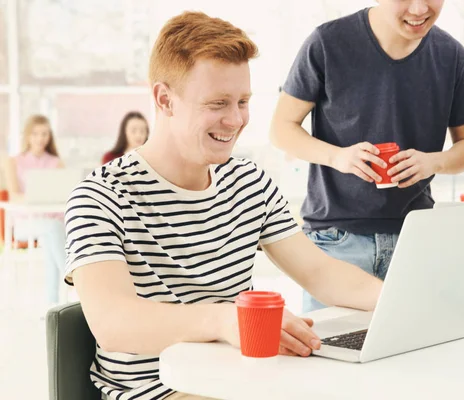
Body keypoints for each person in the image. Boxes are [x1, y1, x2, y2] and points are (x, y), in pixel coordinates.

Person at [65, 11, 382, 400]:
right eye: (218, 103)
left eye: (243, 101)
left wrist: (404, 304)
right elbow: (113, 322)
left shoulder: (248, 181)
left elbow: (319, 272)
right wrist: (226, 320)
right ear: (165, 99)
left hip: (240, 381)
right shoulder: (101, 195)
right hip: (162, 391)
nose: (235, 120)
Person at [269, 0, 464, 312]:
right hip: (336, 241)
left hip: (414, 240)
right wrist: (337, 157)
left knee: (412, 355)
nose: (418, 9)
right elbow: (281, 129)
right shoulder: (328, 42)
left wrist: (432, 161)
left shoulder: (450, 55)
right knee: (331, 356)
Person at [3, 114, 66, 306]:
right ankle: (72, 276)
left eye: (45, 134)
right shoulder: (13, 161)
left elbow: (62, 194)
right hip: (23, 224)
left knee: (52, 234)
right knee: (53, 230)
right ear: (27, 136)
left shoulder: (56, 162)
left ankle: (51, 306)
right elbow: (13, 195)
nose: (40, 138)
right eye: (36, 134)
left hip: (53, 221)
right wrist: (35, 200)